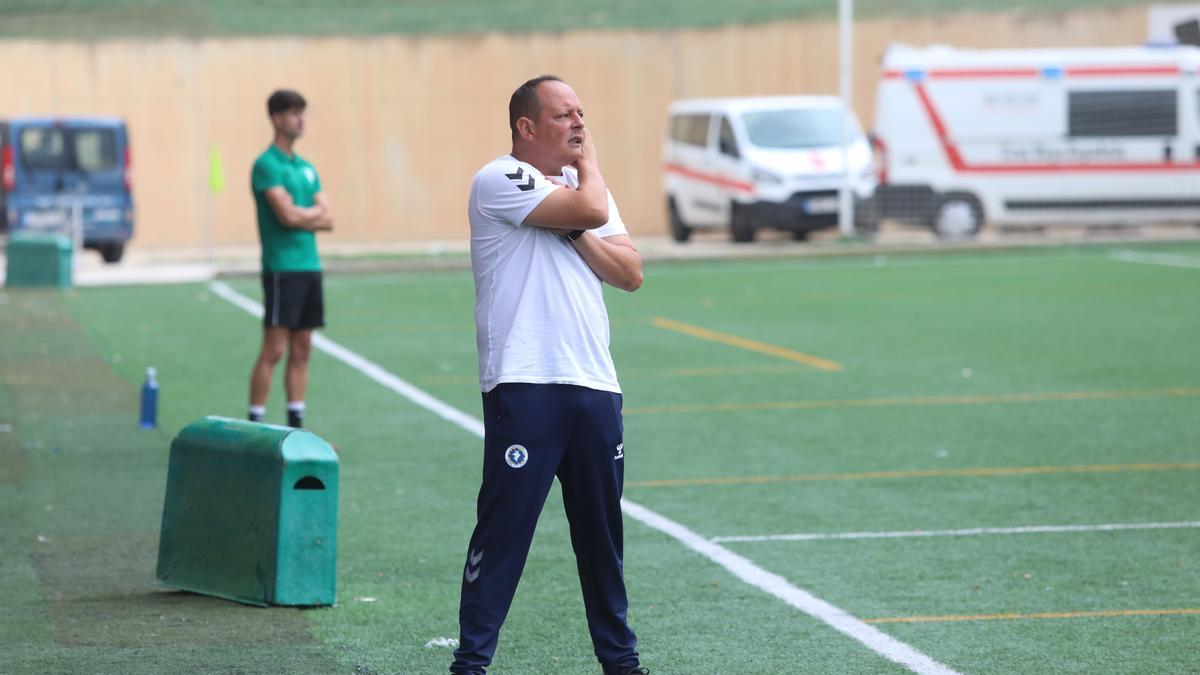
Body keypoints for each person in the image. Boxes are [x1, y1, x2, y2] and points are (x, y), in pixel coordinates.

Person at [451, 75, 647, 675]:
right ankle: (471, 665)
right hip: (526, 382)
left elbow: (631, 272)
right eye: (564, 116)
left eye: (582, 113)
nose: (579, 125)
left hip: (594, 385)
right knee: (504, 534)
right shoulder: (499, 178)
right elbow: (591, 212)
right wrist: (584, 215)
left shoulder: (585, 189)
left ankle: (622, 664)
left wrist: (574, 231)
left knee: (602, 541)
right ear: (526, 128)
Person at [246, 89, 334, 428]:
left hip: (310, 267)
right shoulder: (266, 165)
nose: (300, 119)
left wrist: (304, 214)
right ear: (276, 118)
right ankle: (255, 423)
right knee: (275, 349)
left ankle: (294, 427)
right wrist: (310, 214)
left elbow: (329, 218)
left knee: (303, 349)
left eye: (302, 112)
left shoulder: (307, 168)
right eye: (293, 112)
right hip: (282, 268)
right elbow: (286, 216)